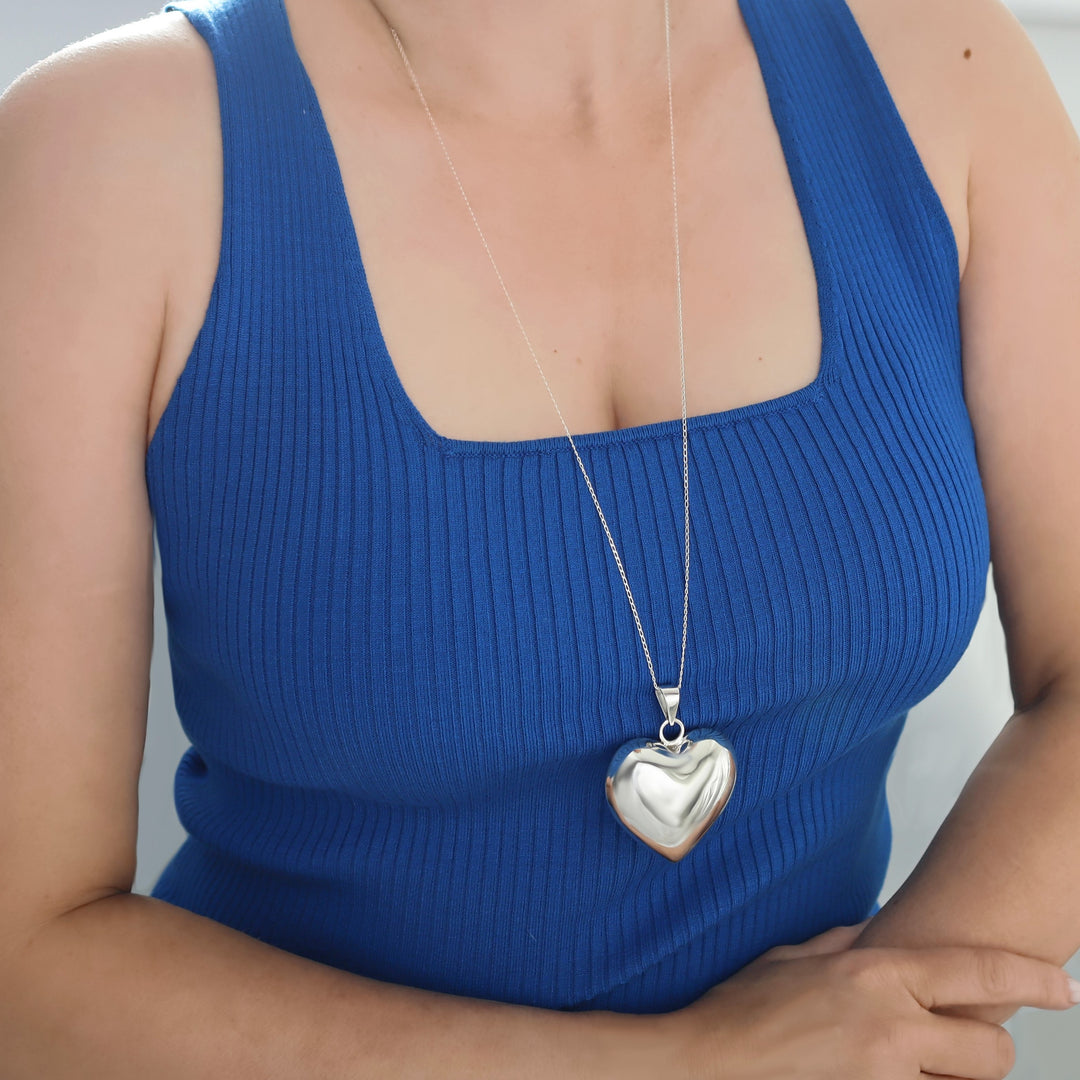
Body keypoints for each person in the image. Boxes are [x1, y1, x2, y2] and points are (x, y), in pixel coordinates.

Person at [1, 0, 1079, 1075]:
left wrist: (878, 1027)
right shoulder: (102, 153)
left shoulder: (945, 68)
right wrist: (695, 1068)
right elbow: (27, 956)